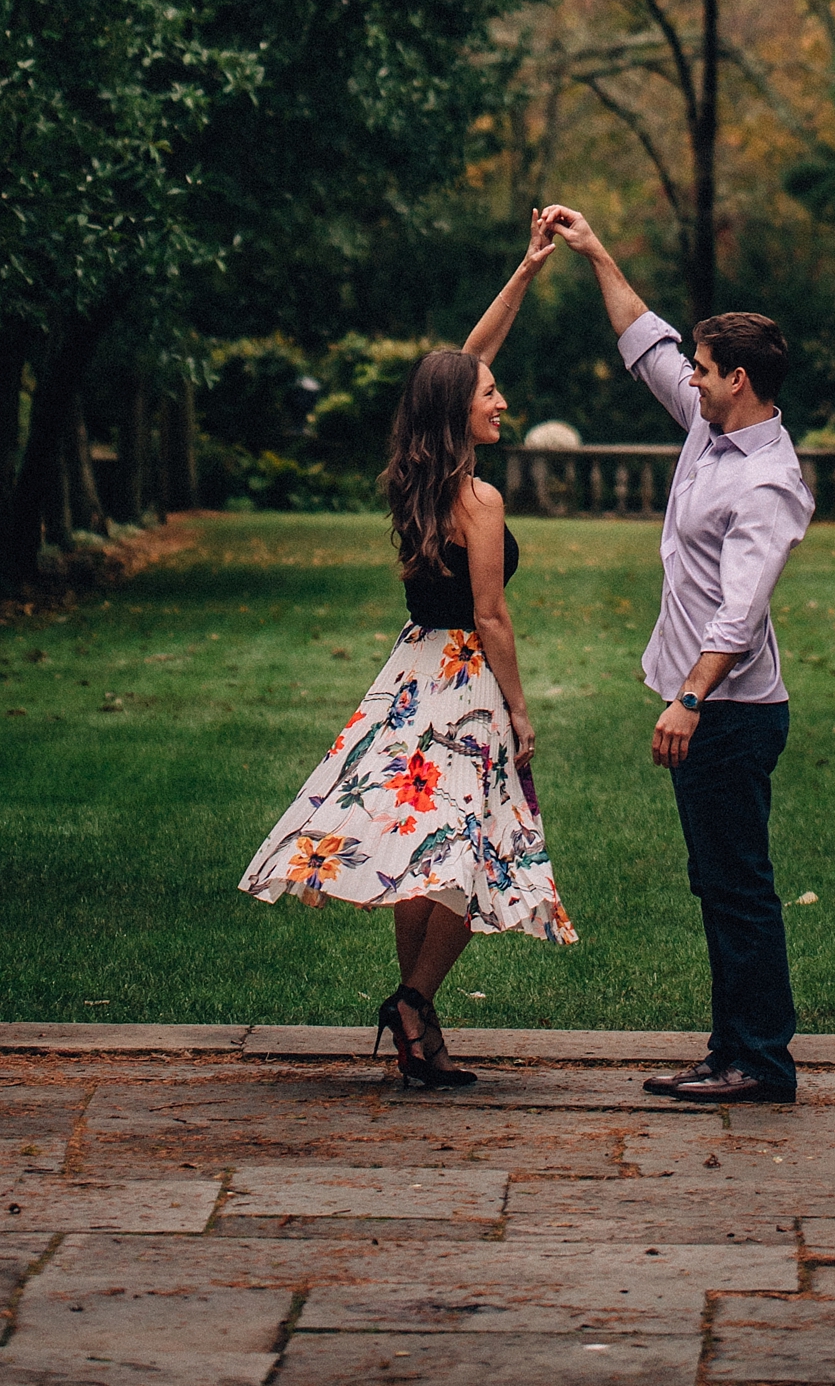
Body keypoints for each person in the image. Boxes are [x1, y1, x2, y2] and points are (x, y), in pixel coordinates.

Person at [238, 213, 575, 1082]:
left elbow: (458, 365)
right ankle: (414, 1002)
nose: (502, 401)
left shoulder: (415, 475)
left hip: (411, 671)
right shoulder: (482, 500)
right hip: (464, 677)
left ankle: (412, 1023)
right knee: (467, 849)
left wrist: (525, 272)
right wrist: (521, 707)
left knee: (425, 838)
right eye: (490, 395)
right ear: (459, 410)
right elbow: (493, 617)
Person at [543, 206, 812, 1105]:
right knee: (721, 885)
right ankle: (730, 1049)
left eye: (703, 372)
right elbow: (646, 340)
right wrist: (594, 253)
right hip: (714, 711)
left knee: (738, 890)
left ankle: (760, 1063)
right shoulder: (711, 426)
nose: (687, 381)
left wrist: (687, 700)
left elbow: (738, 618)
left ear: (736, 379)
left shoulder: (766, 482)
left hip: (730, 716)